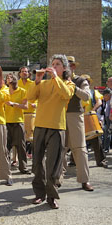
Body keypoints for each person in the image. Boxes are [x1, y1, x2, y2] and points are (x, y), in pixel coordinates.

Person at [27, 54, 75, 209]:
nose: (54, 66)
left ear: (64, 68)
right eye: (52, 64)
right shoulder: (43, 83)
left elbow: (66, 95)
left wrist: (55, 77)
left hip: (57, 126)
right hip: (40, 125)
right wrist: (37, 81)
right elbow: (30, 97)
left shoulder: (68, 83)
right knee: (37, 162)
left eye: (58, 64)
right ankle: (39, 194)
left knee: (53, 164)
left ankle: (52, 196)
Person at [63, 57, 95, 192]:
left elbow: (87, 96)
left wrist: (73, 86)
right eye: (65, 65)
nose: (66, 67)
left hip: (75, 116)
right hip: (58, 117)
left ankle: (84, 180)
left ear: (73, 67)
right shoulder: (57, 80)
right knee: (58, 149)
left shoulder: (81, 81)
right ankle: (57, 179)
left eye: (69, 65)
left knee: (80, 149)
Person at [5, 74, 30, 174]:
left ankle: (23, 167)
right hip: (6, 122)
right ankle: (6, 168)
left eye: (10, 77)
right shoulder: (4, 91)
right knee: (5, 147)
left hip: (18, 122)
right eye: (7, 78)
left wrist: (14, 104)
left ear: (14, 79)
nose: (8, 79)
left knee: (21, 146)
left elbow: (26, 106)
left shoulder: (22, 91)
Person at [81, 74, 108, 169]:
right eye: (83, 81)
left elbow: (99, 102)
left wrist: (93, 110)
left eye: (87, 81)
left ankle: (101, 161)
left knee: (96, 140)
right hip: (79, 119)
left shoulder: (93, 92)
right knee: (77, 141)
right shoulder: (77, 92)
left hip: (90, 119)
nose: (85, 83)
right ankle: (73, 161)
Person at [17, 66, 37, 158]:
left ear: (29, 74)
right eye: (22, 71)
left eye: (26, 71)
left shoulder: (33, 84)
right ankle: (17, 157)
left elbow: (37, 96)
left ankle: (32, 153)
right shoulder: (16, 84)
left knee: (32, 136)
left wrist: (35, 104)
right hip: (19, 113)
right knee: (20, 137)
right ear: (19, 73)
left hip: (31, 112)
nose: (24, 73)